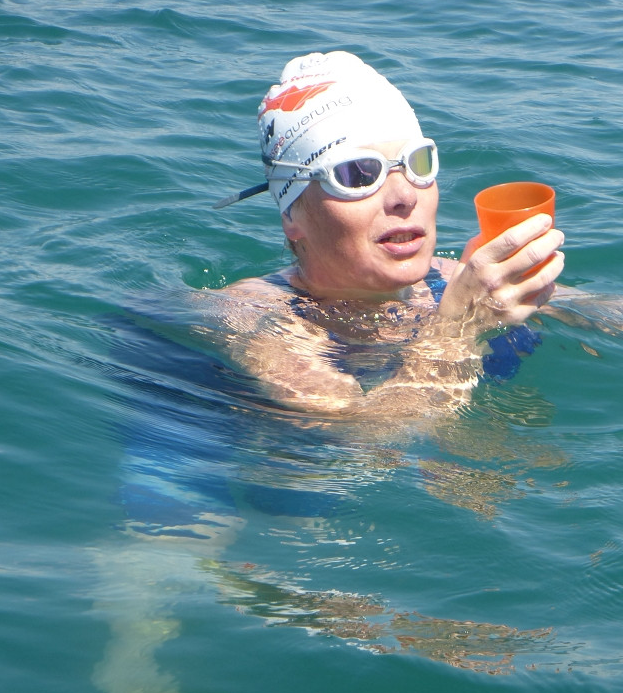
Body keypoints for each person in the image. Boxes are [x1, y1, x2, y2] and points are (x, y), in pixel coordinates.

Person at [214, 50, 565, 417]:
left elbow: (609, 315)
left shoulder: (450, 279)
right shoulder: (257, 318)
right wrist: (458, 327)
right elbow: (370, 437)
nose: (405, 195)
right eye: (358, 175)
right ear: (291, 215)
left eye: (418, 163)